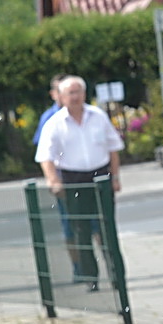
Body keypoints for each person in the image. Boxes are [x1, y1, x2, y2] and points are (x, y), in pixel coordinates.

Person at [34, 75, 122, 292]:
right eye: (70, 93)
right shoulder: (54, 123)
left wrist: (115, 177)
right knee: (81, 230)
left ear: (84, 94)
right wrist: (53, 180)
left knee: (106, 228)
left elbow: (113, 147)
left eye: (78, 92)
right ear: (62, 97)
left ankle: (116, 275)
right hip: (73, 179)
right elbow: (45, 156)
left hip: (100, 176)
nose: (75, 97)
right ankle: (91, 277)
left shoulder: (98, 116)